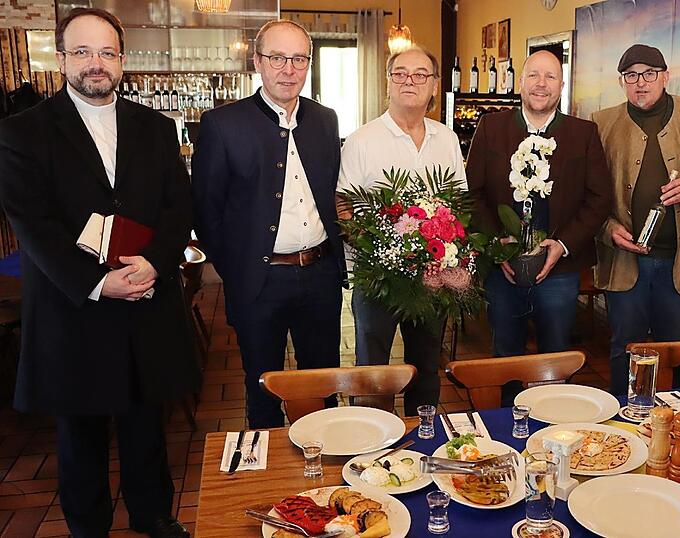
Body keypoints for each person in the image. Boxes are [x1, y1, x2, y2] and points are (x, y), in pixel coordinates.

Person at [0, 8, 196, 537]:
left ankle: (153, 514)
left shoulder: (155, 126)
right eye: (83, 52)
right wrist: (96, 282)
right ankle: (89, 527)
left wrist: (154, 262)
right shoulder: (22, 132)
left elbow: (180, 208)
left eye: (107, 52)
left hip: (145, 299)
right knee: (80, 433)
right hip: (73, 309)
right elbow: (33, 224)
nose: (96, 63)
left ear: (122, 60)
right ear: (62, 59)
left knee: (146, 424)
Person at [192, 19, 346, 429]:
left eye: (299, 59)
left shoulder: (326, 120)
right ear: (257, 62)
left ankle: (326, 478)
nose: (288, 69)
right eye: (277, 57)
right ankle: (269, 486)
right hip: (259, 282)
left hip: (320, 274)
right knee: (263, 387)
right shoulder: (223, 124)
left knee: (322, 384)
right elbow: (206, 212)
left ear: (308, 65)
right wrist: (239, 270)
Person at [591, 44, 680, 395]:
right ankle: (620, 421)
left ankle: (670, 426)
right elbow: (590, 194)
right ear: (622, 82)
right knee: (624, 346)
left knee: (673, 347)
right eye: (631, 76)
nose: (641, 83)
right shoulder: (601, 122)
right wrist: (609, 227)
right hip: (624, 260)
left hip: (679, 259)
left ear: (666, 76)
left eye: (649, 74)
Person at [337, 45, 465, 416]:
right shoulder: (362, 139)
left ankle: (422, 439)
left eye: (421, 74)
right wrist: (378, 248)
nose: (410, 80)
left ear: (434, 86)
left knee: (426, 366)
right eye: (401, 73)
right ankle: (371, 444)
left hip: (432, 278)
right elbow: (344, 205)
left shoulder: (447, 139)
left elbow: (458, 205)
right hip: (378, 278)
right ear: (388, 83)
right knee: (374, 370)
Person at [467, 50, 611, 360]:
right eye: (533, 75)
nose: (541, 84)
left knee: (553, 360)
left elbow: (599, 199)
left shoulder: (583, 134)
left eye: (550, 77)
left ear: (561, 86)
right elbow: (471, 193)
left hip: (560, 271)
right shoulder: (491, 128)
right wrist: (496, 244)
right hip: (501, 270)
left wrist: (563, 243)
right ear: (520, 82)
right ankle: (508, 410)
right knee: (505, 357)